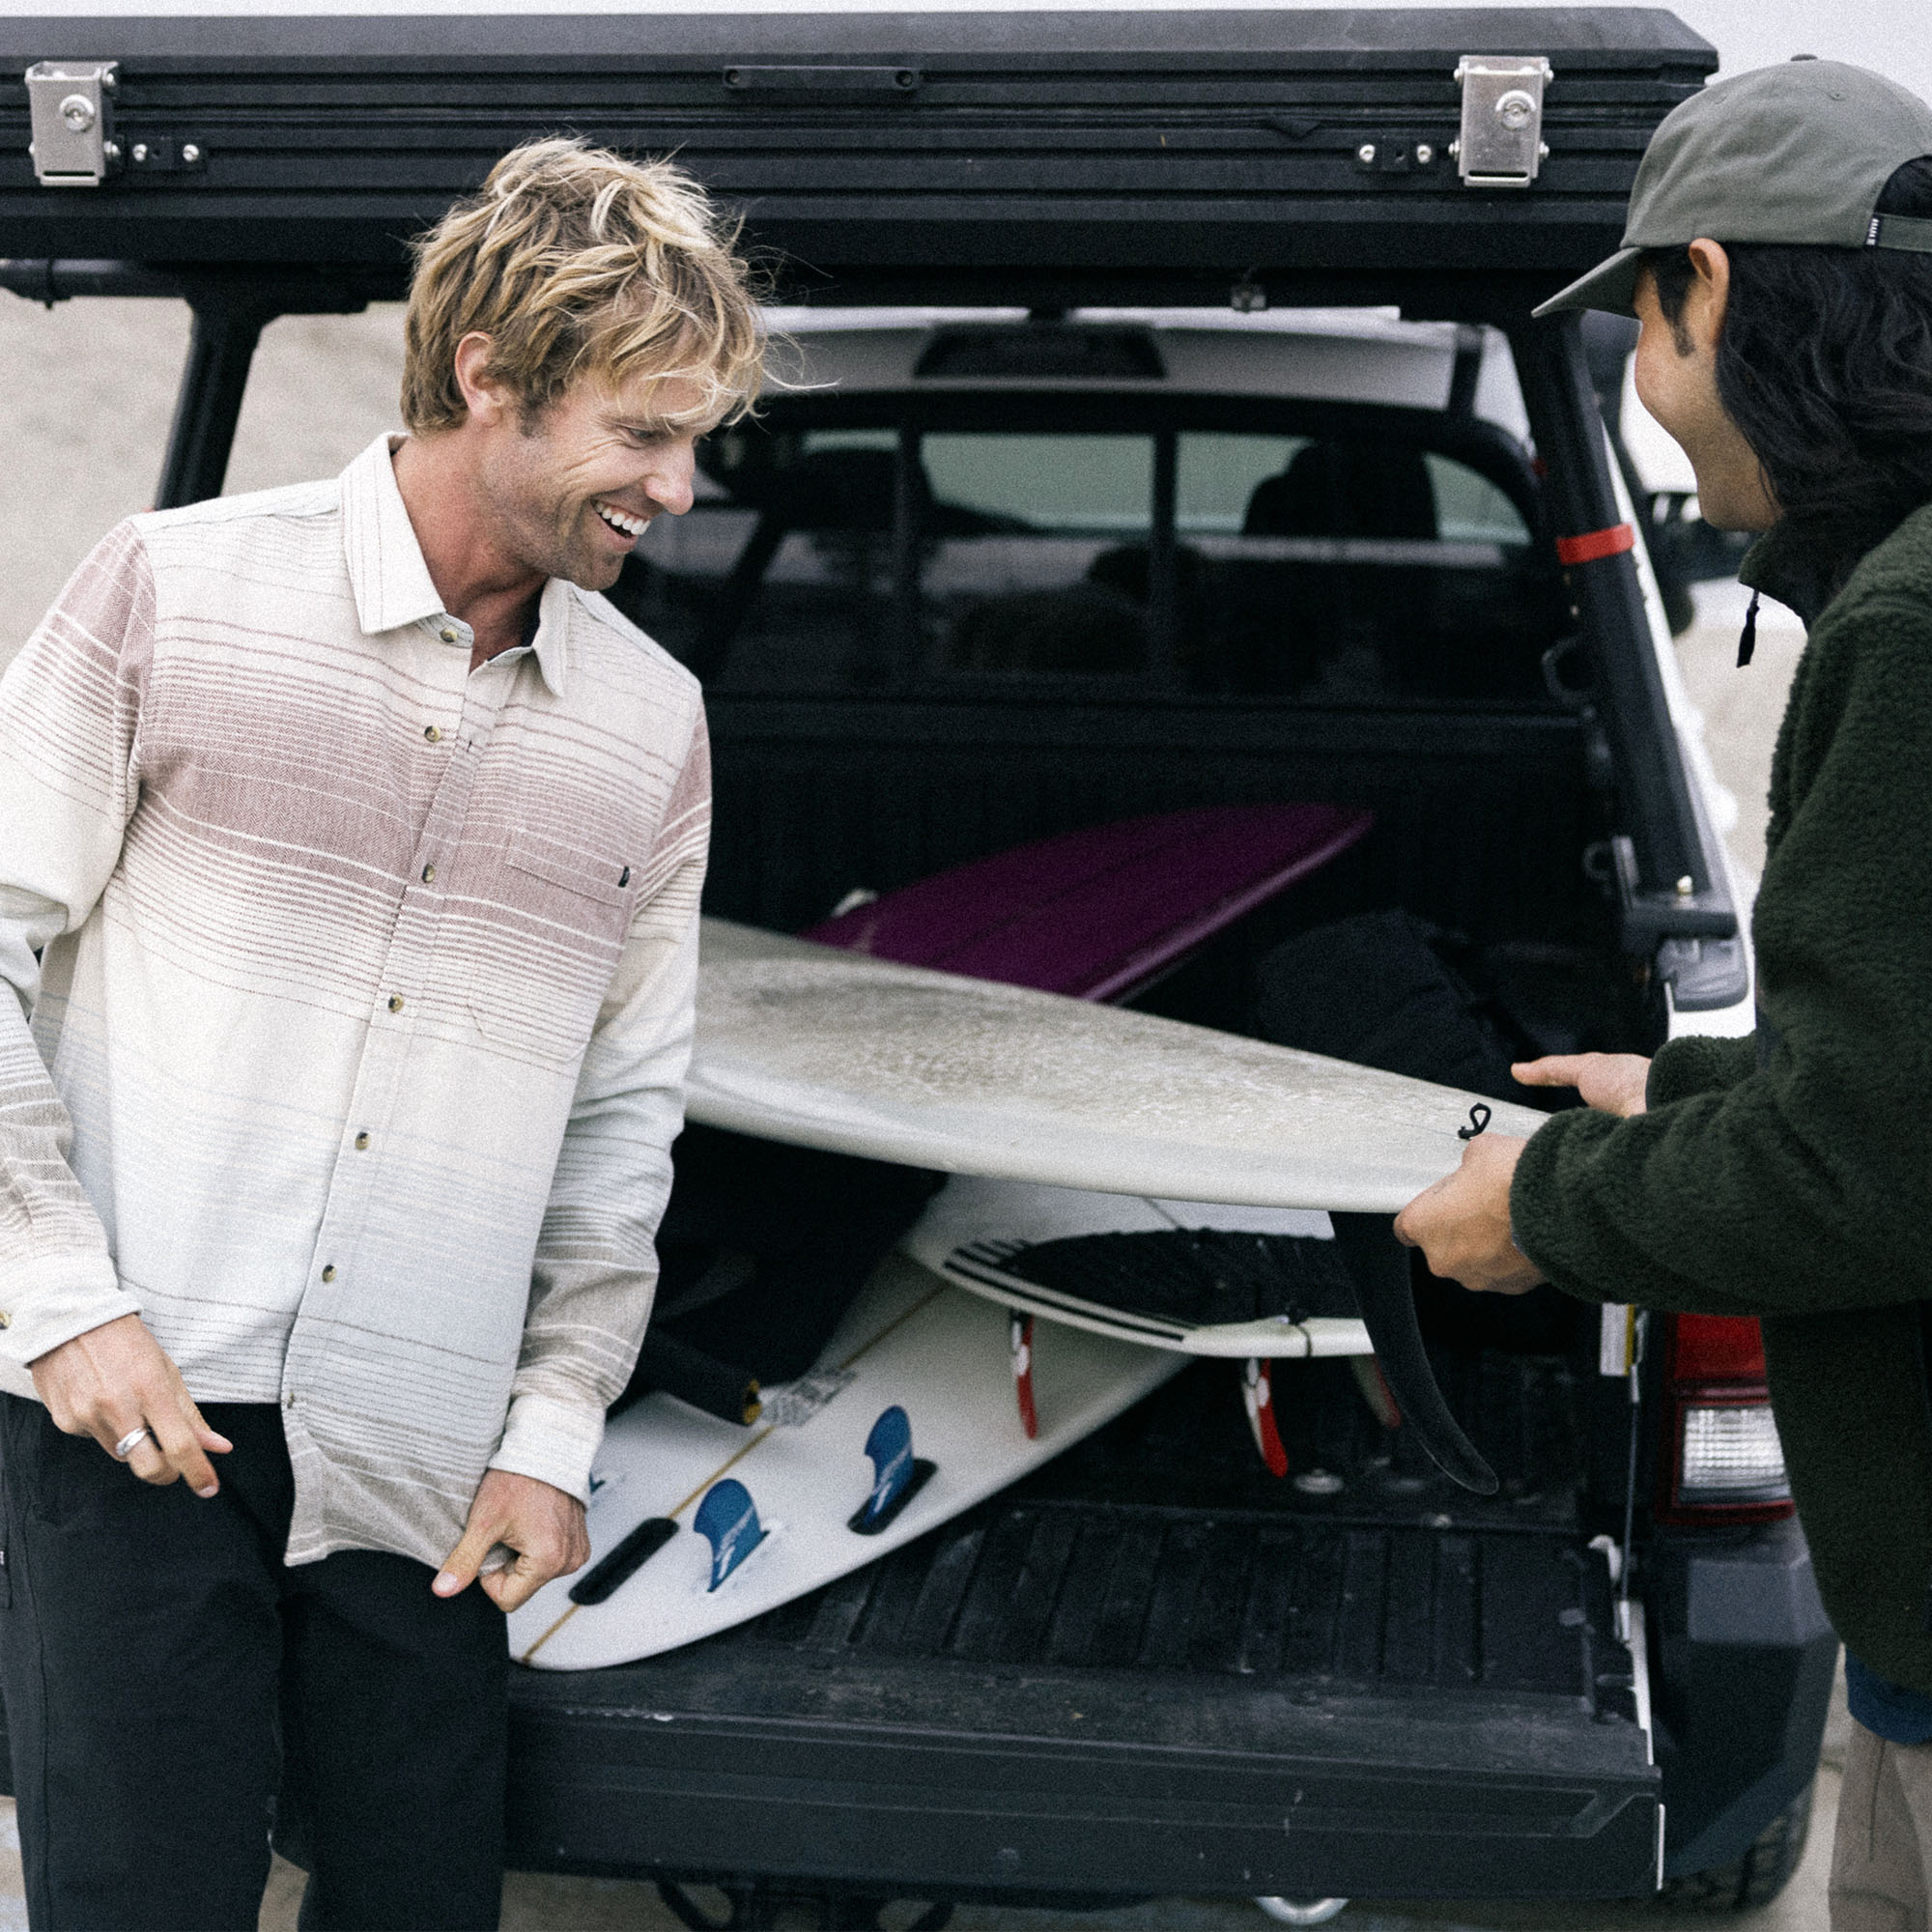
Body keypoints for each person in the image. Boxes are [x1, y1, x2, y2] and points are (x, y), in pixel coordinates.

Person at [0, 136, 761, 1929]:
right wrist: (63, 1306)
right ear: (490, 373)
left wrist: (554, 1426)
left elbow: (621, 1111)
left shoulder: (653, 721)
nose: (684, 483)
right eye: (644, 432)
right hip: (136, 1419)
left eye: (696, 436)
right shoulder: (171, 592)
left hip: (427, 1465)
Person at [1391, 58, 1932, 1932]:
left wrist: (1540, 1211)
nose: (1643, 373)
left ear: (1706, 283)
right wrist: (1689, 1087)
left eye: (1635, 315)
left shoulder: (1910, 629)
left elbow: (1867, 1176)